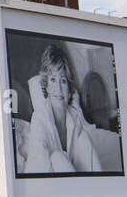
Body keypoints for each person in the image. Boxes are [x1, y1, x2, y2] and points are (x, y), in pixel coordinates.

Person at [23, 44, 97, 173]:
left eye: (63, 81)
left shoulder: (75, 117)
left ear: (69, 88)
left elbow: (89, 158)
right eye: (52, 80)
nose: (58, 88)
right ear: (46, 86)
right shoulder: (39, 118)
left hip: (74, 184)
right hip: (48, 187)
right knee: (58, 157)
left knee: (84, 140)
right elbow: (40, 168)